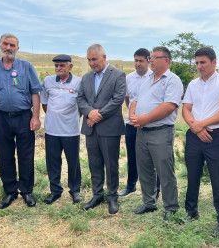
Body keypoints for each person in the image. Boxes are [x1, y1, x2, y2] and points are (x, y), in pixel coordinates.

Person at [182, 47, 219, 234]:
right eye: (197, 63)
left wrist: (201, 125)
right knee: (192, 175)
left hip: (217, 136)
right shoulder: (192, 85)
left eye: (203, 62)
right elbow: (186, 109)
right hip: (195, 136)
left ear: (214, 62)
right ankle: (191, 211)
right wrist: (196, 128)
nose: (199, 66)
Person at [0, 33, 43, 209]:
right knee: (4, 156)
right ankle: (10, 191)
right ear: (0, 45)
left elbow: (35, 92)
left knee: (26, 155)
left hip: (23, 117)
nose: (9, 48)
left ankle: (26, 191)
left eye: (12, 45)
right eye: (6, 44)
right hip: (1, 118)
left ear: (17, 48)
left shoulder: (26, 66)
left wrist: (35, 117)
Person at [129, 46, 183, 220]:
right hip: (142, 131)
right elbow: (135, 100)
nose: (150, 60)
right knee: (144, 169)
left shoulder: (172, 80)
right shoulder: (147, 79)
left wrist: (146, 119)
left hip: (161, 131)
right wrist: (132, 115)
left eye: (154, 58)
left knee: (164, 171)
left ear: (166, 60)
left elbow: (169, 106)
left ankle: (171, 208)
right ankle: (149, 202)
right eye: (150, 58)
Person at [77, 44, 126, 214]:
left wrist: (98, 115)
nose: (91, 63)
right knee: (94, 163)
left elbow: (118, 98)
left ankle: (112, 196)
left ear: (104, 57)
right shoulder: (86, 77)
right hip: (91, 129)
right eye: (89, 60)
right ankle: (97, 195)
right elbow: (80, 98)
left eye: (94, 59)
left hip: (109, 127)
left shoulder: (118, 75)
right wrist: (90, 112)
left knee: (111, 164)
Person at [118, 48, 161, 198]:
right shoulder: (129, 78)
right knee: (132, 155)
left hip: (150, 124)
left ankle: (155, 189)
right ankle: (131, 186)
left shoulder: (155, 77)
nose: (137, 63)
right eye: (135, 60)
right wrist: (133, 116)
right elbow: (128, 99)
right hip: (132, 124)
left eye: (141, 60)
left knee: (153, 158)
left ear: (149, 61)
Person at [40, 54, 82, 204]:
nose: (58, 68)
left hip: (71, 130)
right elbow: (44, 104)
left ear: (70, 67)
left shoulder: (78, 82)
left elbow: (81, 106)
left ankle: (75, 190)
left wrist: (71, 118)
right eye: (56, 66)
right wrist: (55, 116)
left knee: (73, 162)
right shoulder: (48, 81)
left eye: (62, 65)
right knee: (52, 162)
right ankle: (55, 191)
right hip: (52, 130)